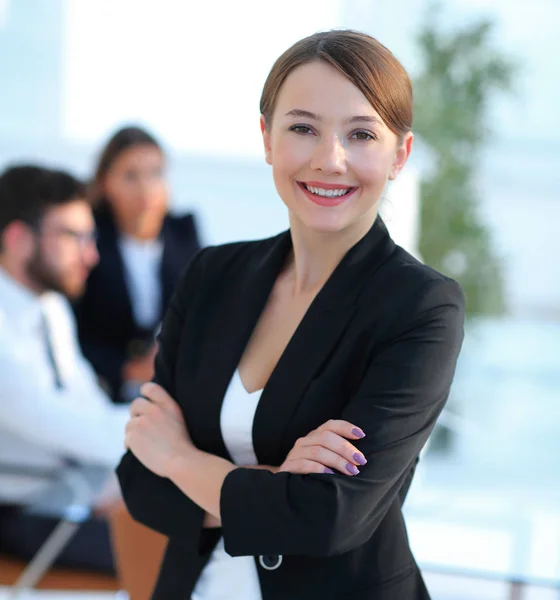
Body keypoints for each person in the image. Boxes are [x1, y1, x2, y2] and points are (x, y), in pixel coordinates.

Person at [117, 30, 465, 599]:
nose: (330, 160)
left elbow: (329, 517)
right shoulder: (212, 276)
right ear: (267, 138)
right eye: (303, 127)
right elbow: (137, 482)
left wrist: (179, 458)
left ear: (399, 154)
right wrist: (276, 489)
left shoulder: (421, 306)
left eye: (361, 134)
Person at [0, 165, 129, 573]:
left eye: (90, 237)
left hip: (67, 496)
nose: (91, 255)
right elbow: (59, 424)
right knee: (184, 547)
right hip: (17, 513)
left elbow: (88, 407)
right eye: (73, 237)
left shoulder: (50, 308)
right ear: (19, 239)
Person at [74, 126, 201, 404]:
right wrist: (129, 369)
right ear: (105, 182)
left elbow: (205, 311)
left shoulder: (184, 232)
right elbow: (72, 333)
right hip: (103, 391)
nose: (146, 188)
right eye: (131, 176)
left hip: (174, 389)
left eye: (156, 173)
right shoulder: (88, 240)